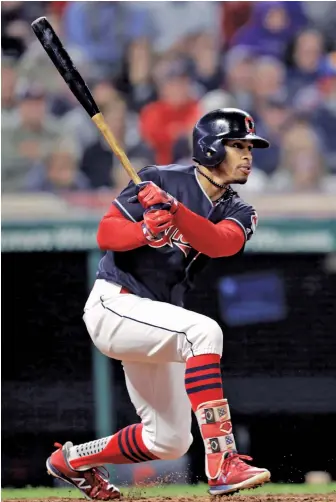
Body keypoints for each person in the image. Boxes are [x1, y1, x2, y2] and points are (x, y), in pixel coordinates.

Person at [46, 108, 271, 499]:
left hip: (155, 320)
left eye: (249, 146)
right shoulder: (158, 178)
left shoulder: (240, 209)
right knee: (204, 331)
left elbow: (221, 243)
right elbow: (106, 233)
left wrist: (176, 213)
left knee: (168, 441)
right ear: (211, 148)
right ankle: (223, 461)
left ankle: (74, 461)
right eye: (237, 146)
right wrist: (144, 230)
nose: (248, 155)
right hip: (115, 303)